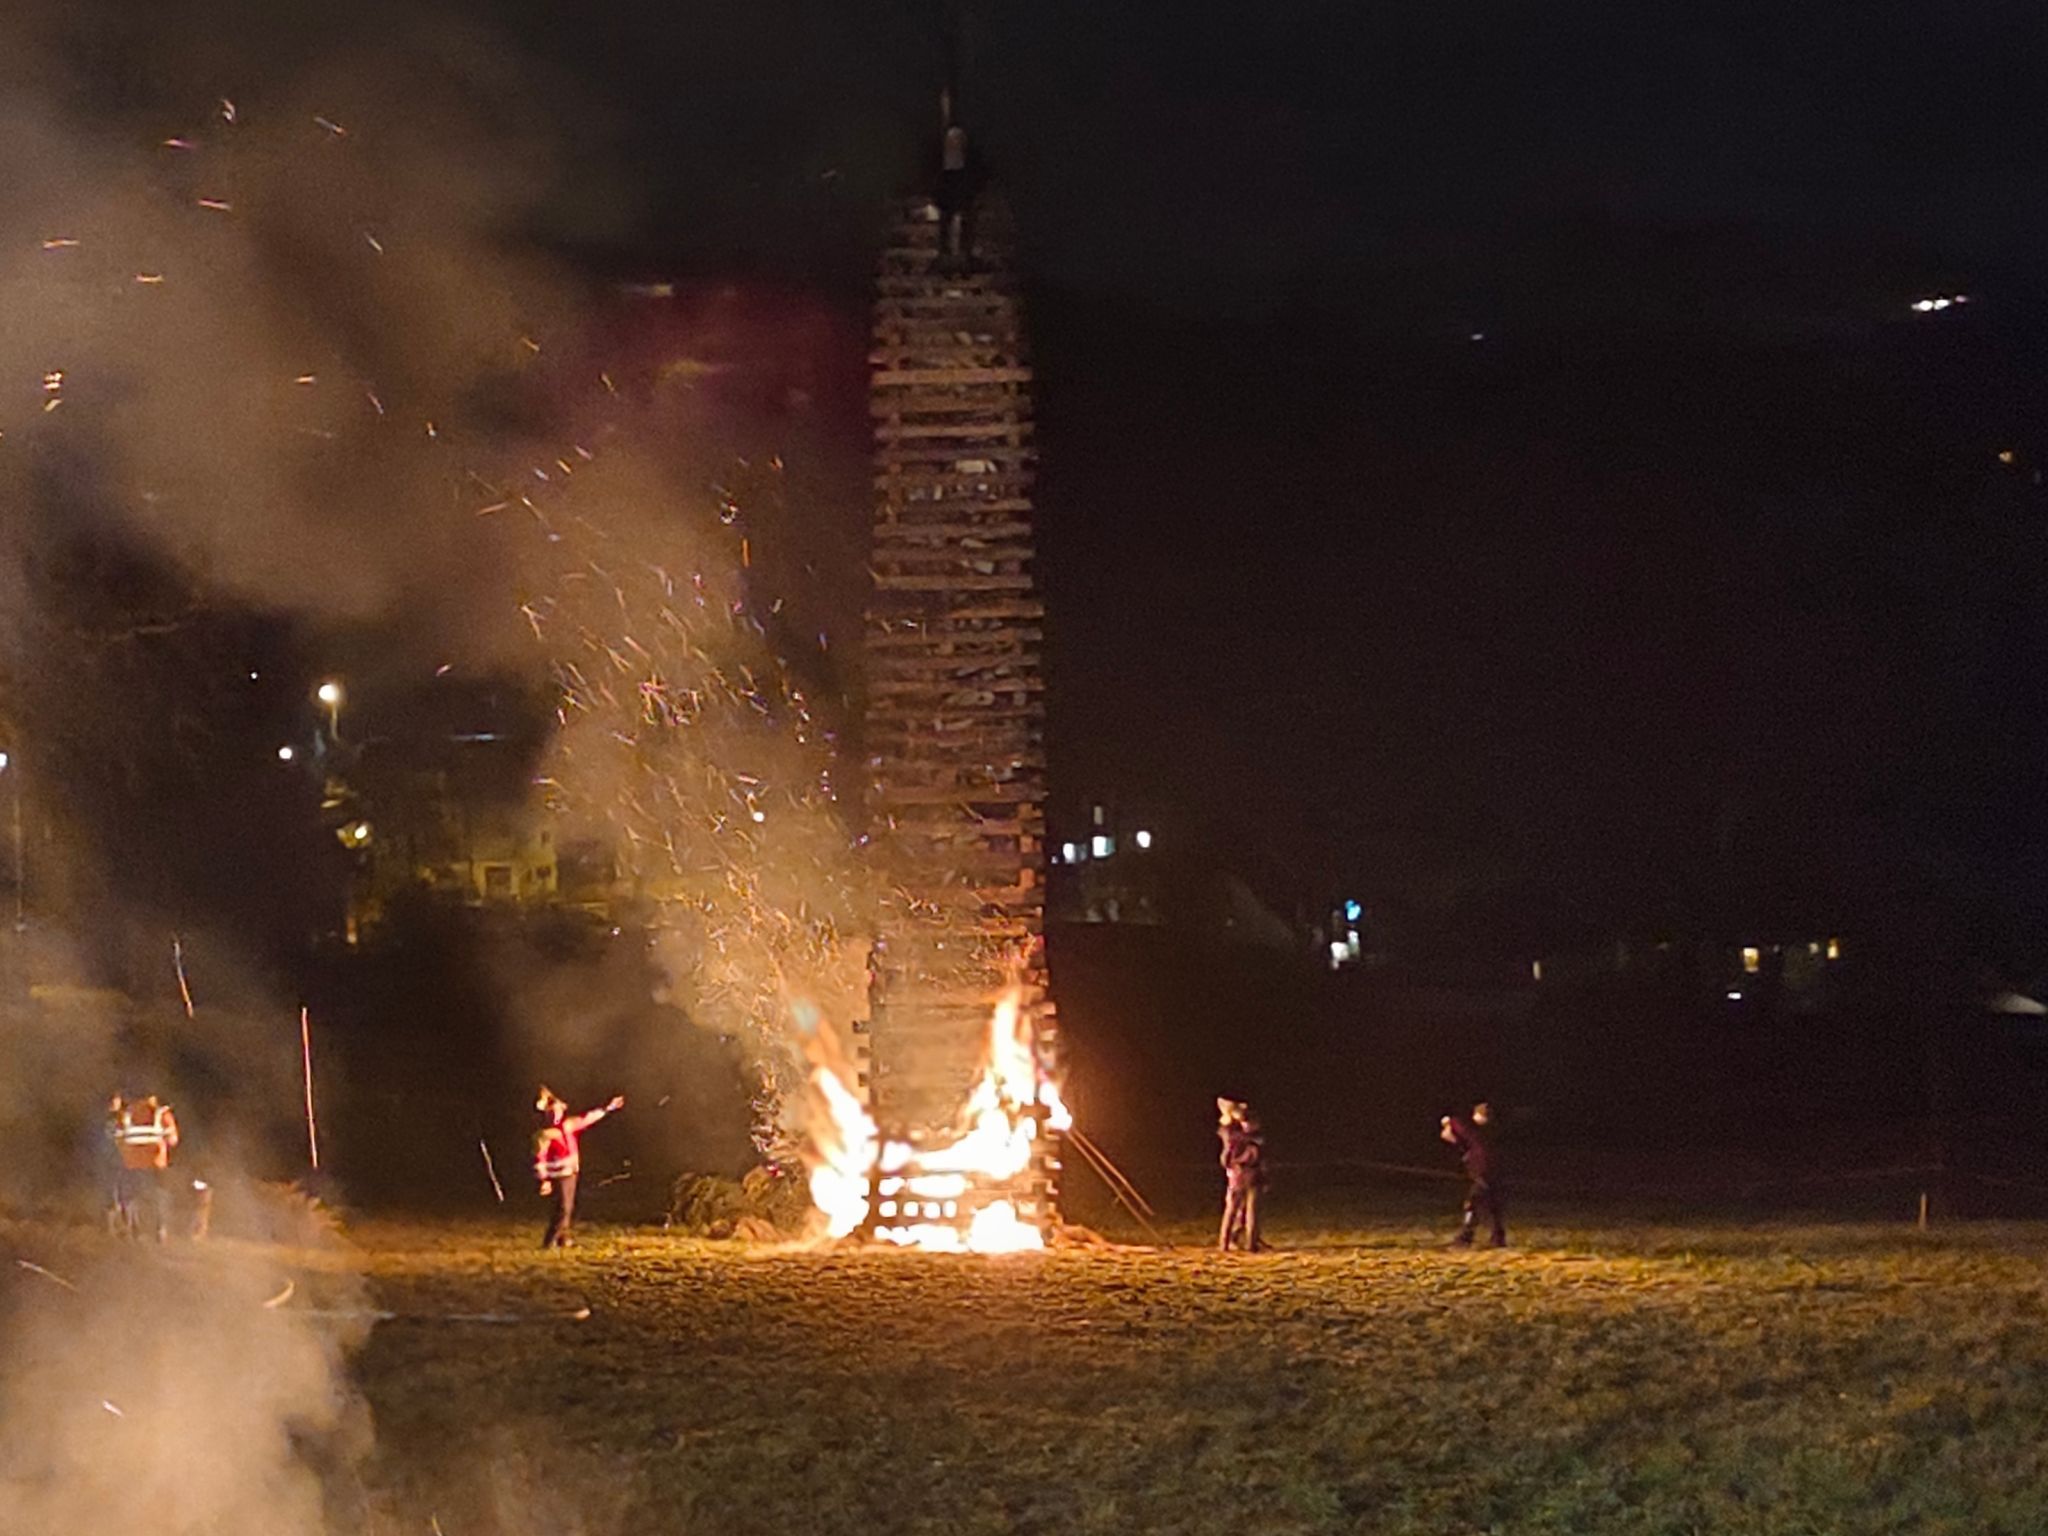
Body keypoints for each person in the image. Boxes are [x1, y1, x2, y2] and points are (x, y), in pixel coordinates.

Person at [533, 1086, 624, 1250]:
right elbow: (539, 1158)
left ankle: (563, 1239)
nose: (557, 1113)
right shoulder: (545, 1134)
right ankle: (549, 1242)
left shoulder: (568, 1125)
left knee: (568, 1207)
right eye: (553, 1111)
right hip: (558, 1175)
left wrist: (608, 1108)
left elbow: (588, 1118)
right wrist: (544, 1180)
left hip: (571, 1173)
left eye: (559, 1110)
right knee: (562, 1208)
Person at [114, 1093, 180, 1242]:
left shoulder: (125, 1114)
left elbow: (118, 1138)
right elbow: (173, 1140)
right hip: (156, 1164)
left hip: (131, 1163)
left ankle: (134, 1229)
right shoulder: (161, 1113)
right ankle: (160, 1229)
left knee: (131, 1196)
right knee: (160, 1196)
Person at [1439, 1101, 1506, 1248]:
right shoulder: (1492, 1132)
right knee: (1492, 1204)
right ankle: (1498, 1237)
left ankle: (1465, 1237)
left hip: (1484, 1170)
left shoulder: (1475, 1133)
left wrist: (1447, 1122)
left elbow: (1456, 1127)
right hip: (1493, 1171)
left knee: (1473, 1202)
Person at [1216, 1098, 1268, 1253]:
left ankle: (1225, 1243)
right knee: (1250, 1210)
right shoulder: (1251, 1136)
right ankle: (1250, 1244)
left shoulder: (1230, 1134)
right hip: (1250, 1172)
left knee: (1234, 1209)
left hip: (1238, 1173)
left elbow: (1226, 1154)